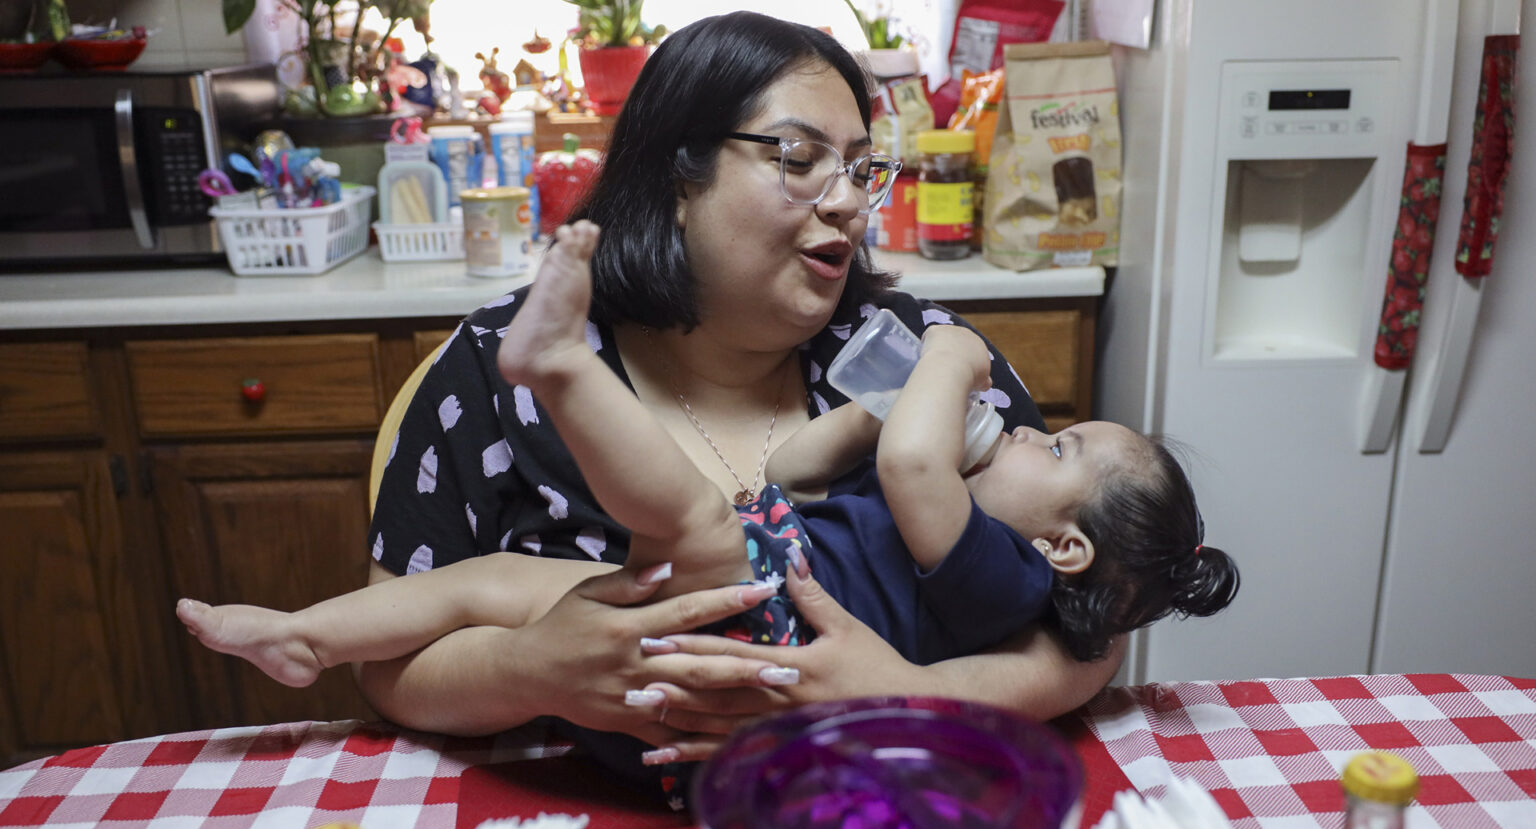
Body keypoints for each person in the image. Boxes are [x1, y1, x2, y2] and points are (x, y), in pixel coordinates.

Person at [223, 11, 1132, 778]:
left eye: (859, 168)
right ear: (677, 177)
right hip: (587, 810)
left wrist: (909, 694)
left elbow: (1085, 627)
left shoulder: (919, 358)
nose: (851, 202)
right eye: (798, 155)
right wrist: (529, 671)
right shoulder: (498, 373)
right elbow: (390, 672)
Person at [178, 219, 1238, 704]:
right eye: (794, 160)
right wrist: (868, 419)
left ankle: (554, 363)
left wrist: (947, 364)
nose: (1019, 425)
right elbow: (805, 468)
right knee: (489, 582)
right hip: (752, 580)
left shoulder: (997, 569)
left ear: (1062, 547)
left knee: (691, 524)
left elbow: (924, 475)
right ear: (680, 176)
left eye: (1055, 445)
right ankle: (301, 637)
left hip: (763, 621)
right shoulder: (960, 493)